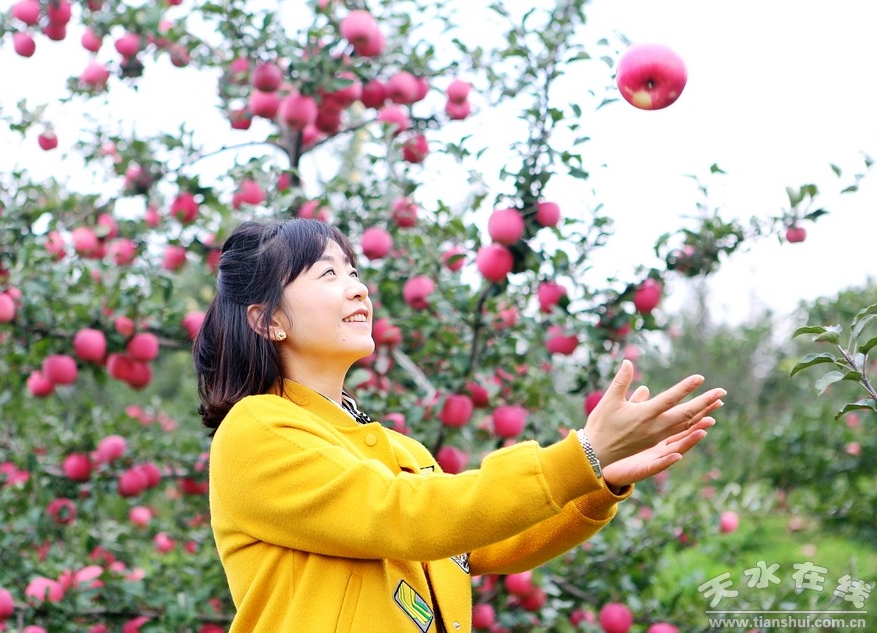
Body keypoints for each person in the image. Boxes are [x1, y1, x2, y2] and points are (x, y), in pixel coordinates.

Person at [193, 218, 726, 633]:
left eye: (354, 272)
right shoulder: (257, 429)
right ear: (269, 320)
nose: (358, 289)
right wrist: (579, 454)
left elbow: (474, 544)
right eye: (328, 274)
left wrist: (598, 479)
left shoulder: (398, 448)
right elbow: (404, 516)